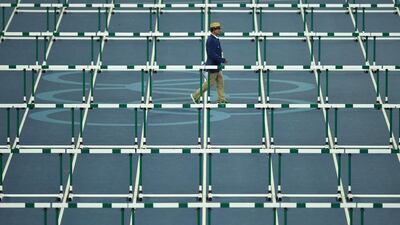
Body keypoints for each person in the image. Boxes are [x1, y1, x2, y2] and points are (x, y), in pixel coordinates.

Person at [191, 22, 228, 104]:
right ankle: (195, 95)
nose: (220, 30)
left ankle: (221, 99)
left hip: (217, 65)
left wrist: (221, 60)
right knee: (209, 83)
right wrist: (222, 60)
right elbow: (211, 54)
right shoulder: (211, 40)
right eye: (218, 29)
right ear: (214, 30)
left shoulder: (215, 39)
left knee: (220, 81)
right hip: (213, 65)